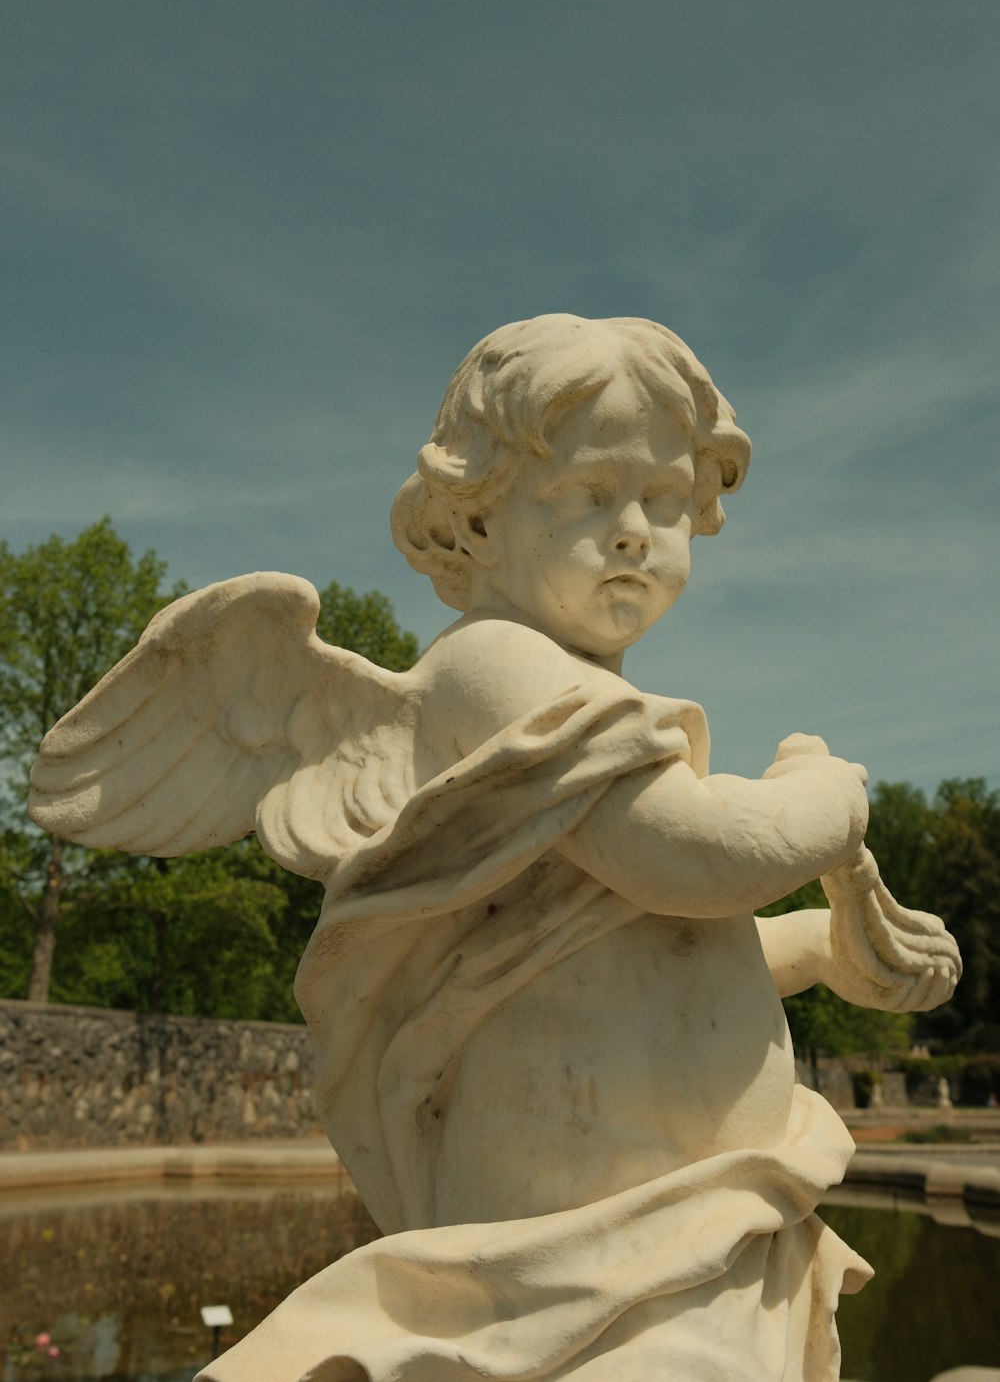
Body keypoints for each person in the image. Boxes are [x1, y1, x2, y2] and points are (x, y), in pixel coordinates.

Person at [29, 314, 961, 1382]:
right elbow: (696, 861)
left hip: (692, 1227)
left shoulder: (598, 706)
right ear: (472, 522)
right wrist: (824, 793)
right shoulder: (498, 669)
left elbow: (640, 939)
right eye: (585, 494)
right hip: (577, 1247)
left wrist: (828, 946)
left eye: (662, 501)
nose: (631, 530)